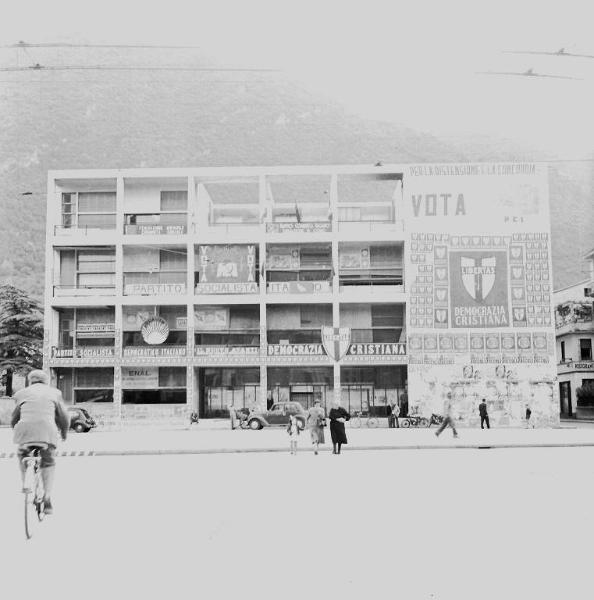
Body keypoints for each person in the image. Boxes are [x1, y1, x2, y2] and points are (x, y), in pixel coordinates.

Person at [11, 370, 70, 515]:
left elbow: (15, 417)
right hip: (47, 433)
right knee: (48, 462)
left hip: (25, 432)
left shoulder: (21, 393)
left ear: (30, 381)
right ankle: (47, 499)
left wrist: (17, 430)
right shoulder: (55, 393)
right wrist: (63, 433)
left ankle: (25, 482)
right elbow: (64, 417)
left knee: (22, 453)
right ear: (46, 381)